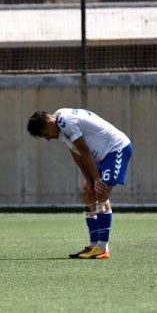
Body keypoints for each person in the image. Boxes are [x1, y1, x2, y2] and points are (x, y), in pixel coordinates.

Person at [27, 108, 133, 260]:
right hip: (102, 156)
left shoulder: (65, 121)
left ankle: (103, 248)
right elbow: (76, 152)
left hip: (116, 149)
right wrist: (89, 179)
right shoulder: (60, 122)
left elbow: (84, 151)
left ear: (50, 122)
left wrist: (96, 179)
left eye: (45, 135)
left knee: (101, 191)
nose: (48, 139)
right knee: (88, 190)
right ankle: (93, 245)